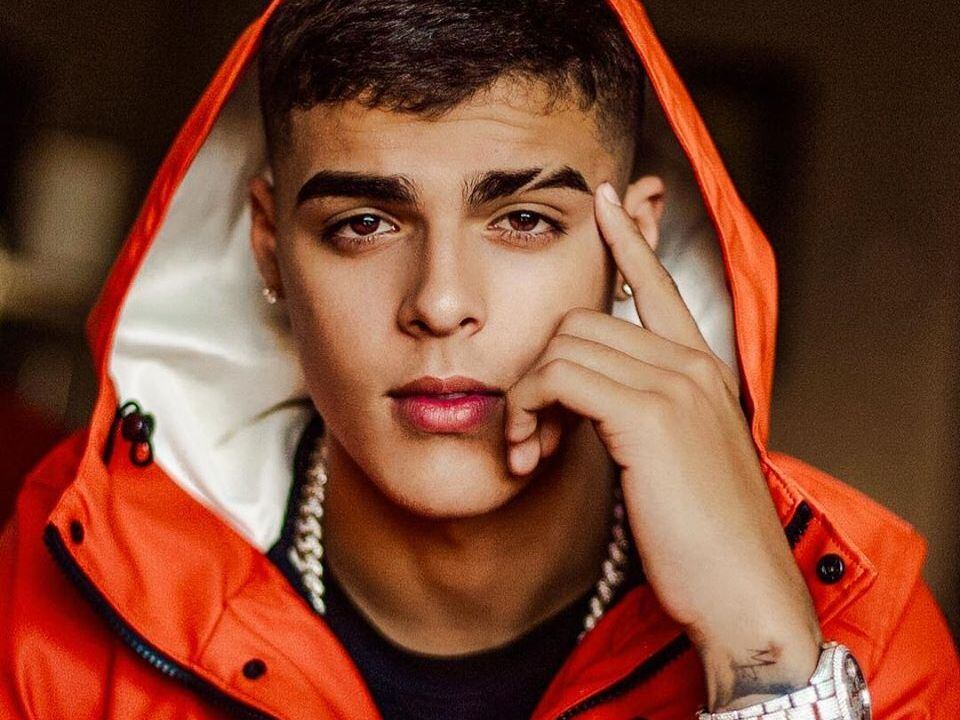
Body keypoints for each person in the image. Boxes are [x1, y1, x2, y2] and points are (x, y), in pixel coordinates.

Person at [1, 0, 958, 718]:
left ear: (635, 244)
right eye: (364, 224)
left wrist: (766, 669)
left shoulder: (858, 612)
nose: (440, 303)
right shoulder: (64, 590)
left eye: (524, 220)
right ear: (269, 249)